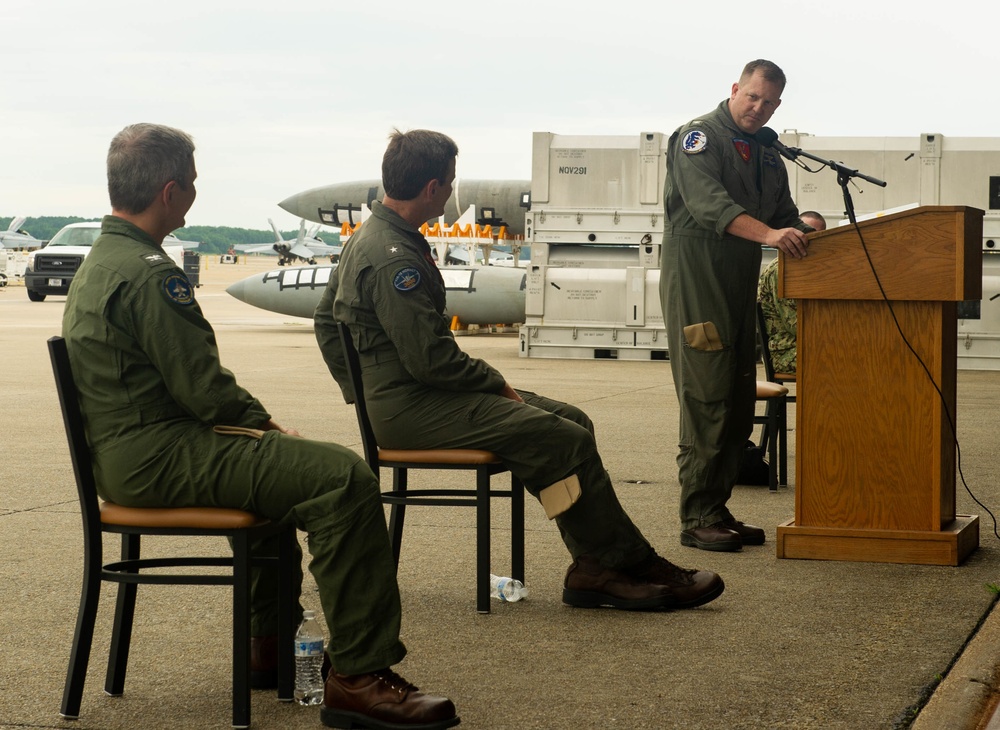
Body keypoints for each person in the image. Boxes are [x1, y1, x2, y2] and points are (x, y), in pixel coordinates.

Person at [62, 123, 459, 730]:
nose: (193, 194)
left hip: (132, 457)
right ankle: (360, 676)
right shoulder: (150, 274)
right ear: (171, 192)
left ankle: (267, 645)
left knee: (286, 484)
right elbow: (208, 393)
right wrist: (270, 430)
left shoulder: (105, 260)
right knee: (342, 477)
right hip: (159, 456)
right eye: (191, 184)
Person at [314, 128, 724, 612]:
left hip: (414, 396)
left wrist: (361, 393)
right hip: (414, 404)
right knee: (561, 438)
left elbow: (325, 321)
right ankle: (626, 563)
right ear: (431, 189)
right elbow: (432, 361)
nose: (449, 191)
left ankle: (595, 566)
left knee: (572, 421)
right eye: (448, 182)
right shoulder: (391, 256)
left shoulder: (375, 235)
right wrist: (492, 386)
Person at [659, 59, 812, 553]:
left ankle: (716, 507)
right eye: (752, 97)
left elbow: (786, 217)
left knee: (737, 399)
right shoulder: (698, 138)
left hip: (739, 287)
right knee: (707, 398)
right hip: (699, 283)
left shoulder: (768, 157)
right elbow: (710, 207)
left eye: (768, 103)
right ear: (735, 89)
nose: (758, 109)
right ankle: (696, 515)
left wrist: (819, 235)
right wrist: (770, 234)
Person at [757, 211, 827, 374]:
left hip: (810, 345)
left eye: (817, 236)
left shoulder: (815, 270)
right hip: (786, 352)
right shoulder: (781, 270)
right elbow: (795, 325)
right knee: (847, 358)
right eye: (805, 235)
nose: (809, 242)